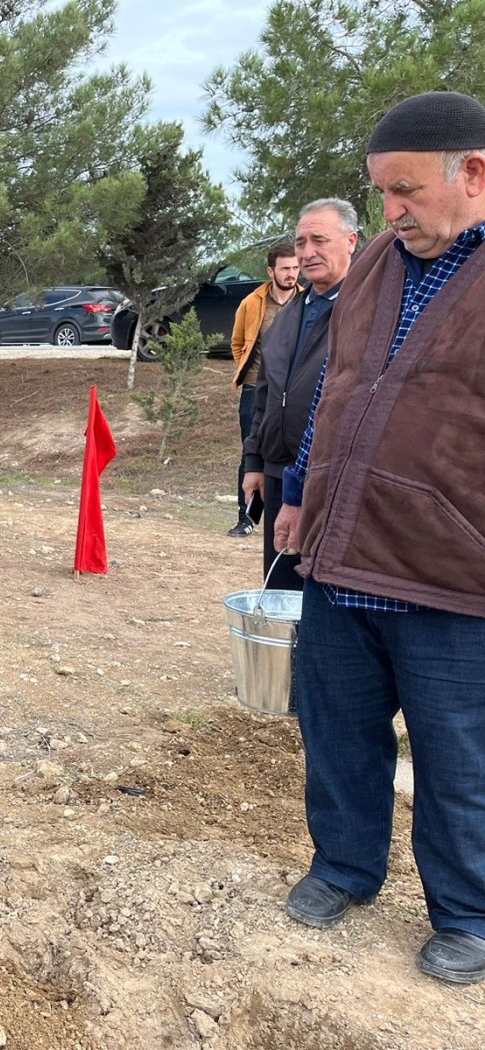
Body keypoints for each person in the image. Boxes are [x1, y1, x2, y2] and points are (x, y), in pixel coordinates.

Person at [275, 91, 485, 984]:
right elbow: (338, 393)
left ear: (474, 173)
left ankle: (468, 913)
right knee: (338, 730)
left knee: (457, 754)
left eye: (405, 191)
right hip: (339, 548)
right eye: (381, 193)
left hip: (450, 569)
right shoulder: (372, 270)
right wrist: (296, 494)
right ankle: (344, 868)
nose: (391, 211)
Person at [241, 200, 357, 591]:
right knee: (280, 592)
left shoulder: (365, 311)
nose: (307, 252)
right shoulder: (288, 315)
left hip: (333, 479)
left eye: (319, 240)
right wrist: (254, 461)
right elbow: (265, 395)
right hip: (278, 473)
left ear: (351, 241)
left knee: (324, 595)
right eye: (300, 241)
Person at [226, 243, 299, 536]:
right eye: (285, 268)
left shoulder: (307, 302)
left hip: (293, 393)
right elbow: (237, 343)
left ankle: (287, 514)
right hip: (256, 389)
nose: (292, 274)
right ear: (271, 271)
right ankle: (246, 518)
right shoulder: (252, 303)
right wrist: (250, 372)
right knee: (251, 452)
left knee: (293, 453)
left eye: (295, 268)